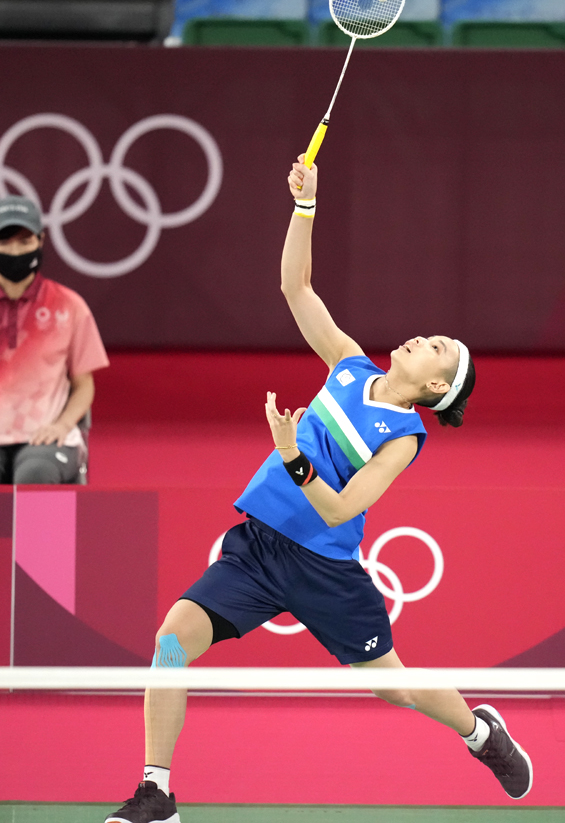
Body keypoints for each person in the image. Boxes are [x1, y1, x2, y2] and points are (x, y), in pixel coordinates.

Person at [106, 157, 531, 823]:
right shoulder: (349, 364)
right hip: (256, 548)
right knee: (170, 639)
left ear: (430, 389)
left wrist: (291, 455)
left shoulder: (401, 438)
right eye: (432, 338)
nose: (425, 339)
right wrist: (305, 206)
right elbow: (294, 286)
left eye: (437, 350)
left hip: (324, 570)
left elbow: (340, 507)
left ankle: (480, 732)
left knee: (396, 689)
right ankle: (156, 792)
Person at [0, 195, 109, 484]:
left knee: (36, 474)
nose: (14, 250)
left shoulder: (69, 305)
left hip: (45, 436)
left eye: (24, 242)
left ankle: (45, 533)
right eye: (6, 242)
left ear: (40, 240)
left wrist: (62, 425)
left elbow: (84, 385)